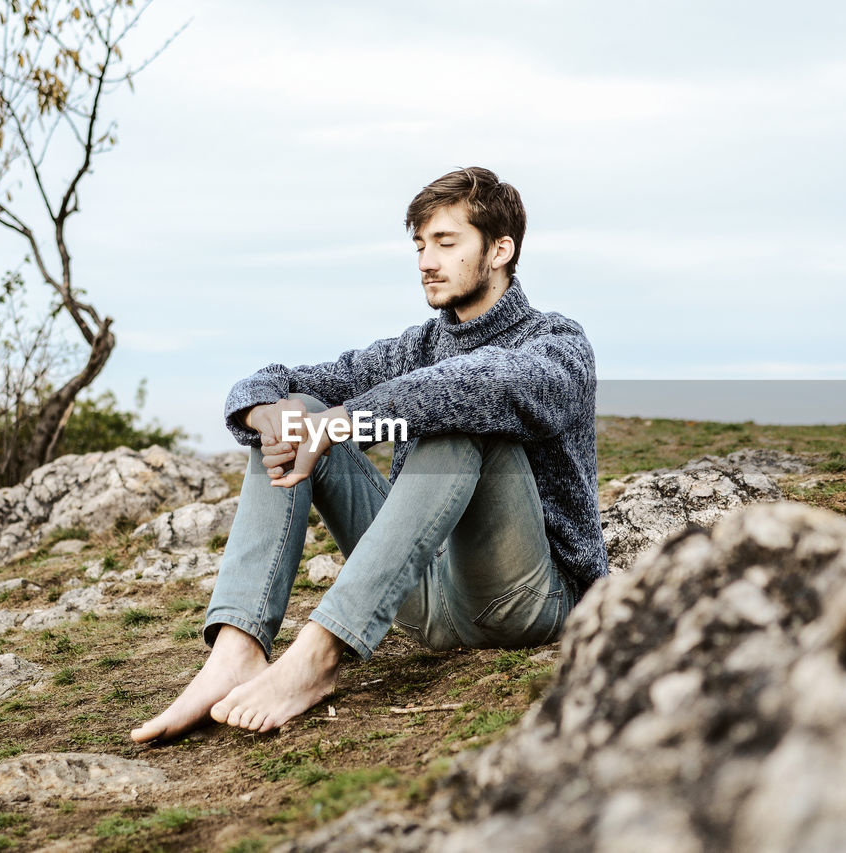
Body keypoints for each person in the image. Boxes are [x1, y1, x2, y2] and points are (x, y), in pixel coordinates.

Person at [131, 167, 607, 741]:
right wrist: (267, 415)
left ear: (501, 249)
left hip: (523, 599)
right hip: (424, 600)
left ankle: (318, 657)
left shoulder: (556, 343)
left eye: (446, 243)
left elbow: (481, 385)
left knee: (455, 418)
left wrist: (344, 422)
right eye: (420, 245)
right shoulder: (415, 348)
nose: (427, 261)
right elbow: (272, 380)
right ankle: (236, 649)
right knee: (296, 409)